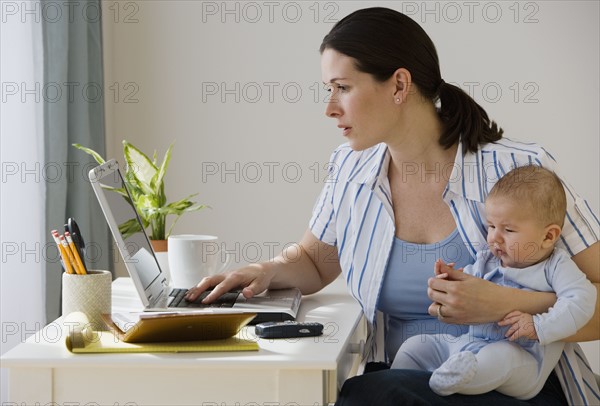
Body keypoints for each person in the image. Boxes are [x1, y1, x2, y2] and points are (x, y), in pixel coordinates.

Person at [186, 7, 600, 405]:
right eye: (328, 90)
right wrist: (264, 270)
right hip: (407, 378)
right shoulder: (350, 167)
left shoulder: (518, 171)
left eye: (343, 88)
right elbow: (314, 261)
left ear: (400, 85)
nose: (329, 108)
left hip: (514, 384)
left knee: (367, 396)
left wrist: (504, 303)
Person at [391, 165, 596, 400]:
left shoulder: (555, 267)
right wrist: (451, 282)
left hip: (523, 358)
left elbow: (582, 299)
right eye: (491, 226)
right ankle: (408, 381)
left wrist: (539, 326)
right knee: (416, 346)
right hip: (470, 344)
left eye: (508, 229)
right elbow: (470, 285)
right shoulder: (488, 260)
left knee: (500, 359)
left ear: (548, 236)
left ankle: (449, 382)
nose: (494, 238)